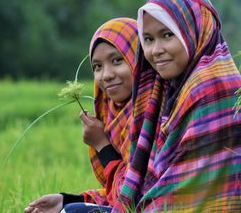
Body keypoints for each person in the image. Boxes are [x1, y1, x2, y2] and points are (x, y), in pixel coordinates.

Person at [112, 0, 241, 212]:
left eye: (167, 35)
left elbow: (177, 196)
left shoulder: (209, 87)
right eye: (148, 39)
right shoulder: (174, 88)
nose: (156, 50)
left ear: (198, 30)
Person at [24, 17, 152, 213]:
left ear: (140, 60)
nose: (106, 75)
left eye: (117, 60)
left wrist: (102, 145)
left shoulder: (156, 116)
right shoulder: (115, 117)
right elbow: (117, 193)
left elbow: (132, 200)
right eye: (97, 67)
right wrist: (66, 200)